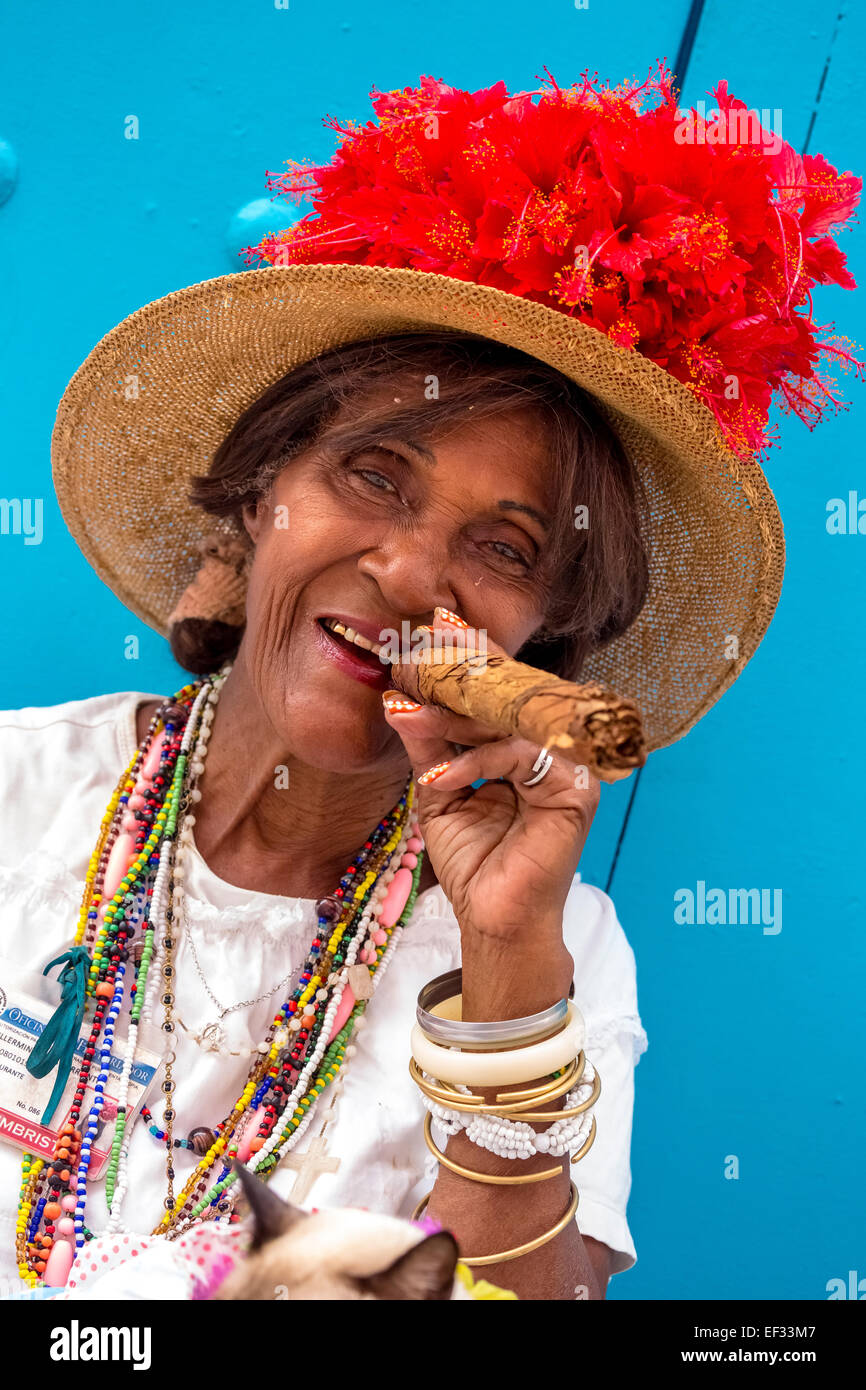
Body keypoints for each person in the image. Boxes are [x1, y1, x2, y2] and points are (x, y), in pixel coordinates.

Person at [1, 66, 856, 1300]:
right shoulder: (23, 792)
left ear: (541, 638)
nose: (410, 575)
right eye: (374, 476)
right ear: (259, 493)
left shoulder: (560, 954)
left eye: (503, 548)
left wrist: (506, 958)